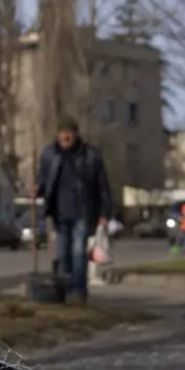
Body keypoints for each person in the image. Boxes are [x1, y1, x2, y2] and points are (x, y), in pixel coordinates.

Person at [34, 115, 112, 307]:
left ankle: (78, 291)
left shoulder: (91, 155)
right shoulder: (50, 154)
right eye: (63, 133)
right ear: (58, 134)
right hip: (59, 213)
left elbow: (103, 187)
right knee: (62, 255)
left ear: (76, 134)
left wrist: (104, 213)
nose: (66, 137)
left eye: (69, 133)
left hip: (83, 211)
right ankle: (63, 290)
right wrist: (37, 189)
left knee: (78, 252)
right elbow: (44, 180)